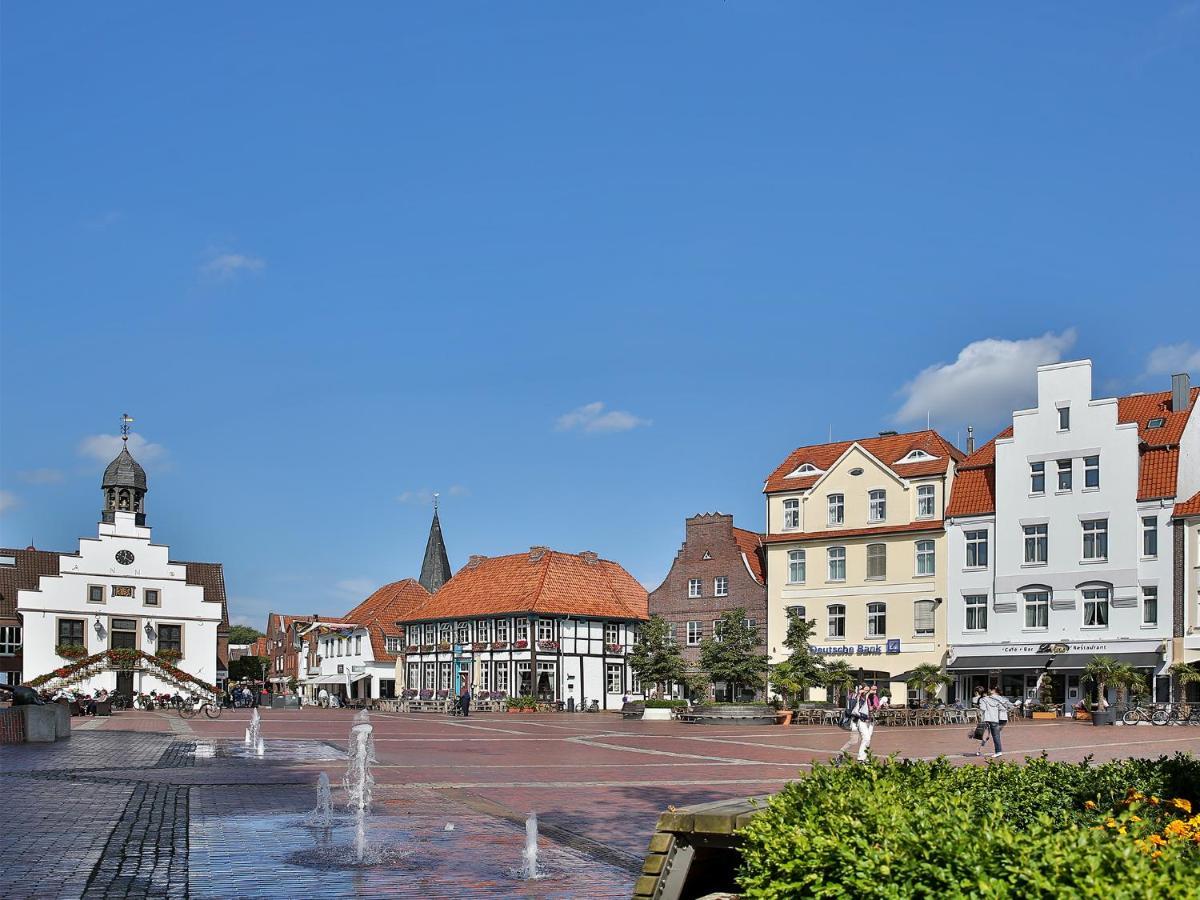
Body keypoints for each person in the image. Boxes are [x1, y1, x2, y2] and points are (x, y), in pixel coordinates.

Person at [837, 684, 880, 763]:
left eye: (868, 690)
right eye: (865, 690)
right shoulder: (856, 697)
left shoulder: (872, 697)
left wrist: (876, 707)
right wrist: (859, 694)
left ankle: (863, 758)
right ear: (861, 689)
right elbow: (851, 707)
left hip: (868, 721)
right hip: (856, 721)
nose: (868, 692)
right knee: (854, 740)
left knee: (867, 739)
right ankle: (841, 753)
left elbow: (875, 706)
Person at [974, 686, 1012, 758]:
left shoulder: (983, 699)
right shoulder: (998, 699)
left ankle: (996, 751)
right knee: (993, 735)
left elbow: (983, 708)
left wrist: (979, 707)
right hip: (999, 719)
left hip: (989, 719)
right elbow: (1005, 707)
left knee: (989, 735)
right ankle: (981, 750)